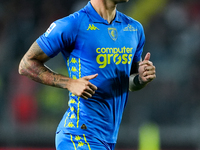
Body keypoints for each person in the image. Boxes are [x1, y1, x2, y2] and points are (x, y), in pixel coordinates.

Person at [19, 0, 156, 149]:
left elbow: (130, 83)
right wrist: (69, 83)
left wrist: (141, 79)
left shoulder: (134, 28)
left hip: (107, 138)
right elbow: (26, 64)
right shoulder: (72, 25)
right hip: (79, 136)